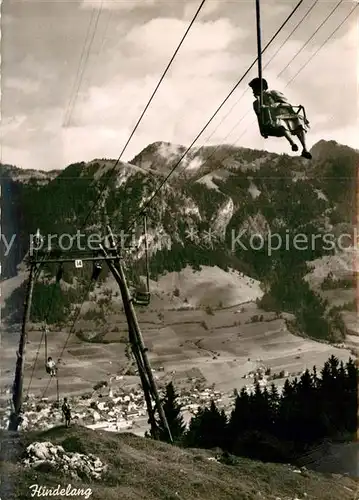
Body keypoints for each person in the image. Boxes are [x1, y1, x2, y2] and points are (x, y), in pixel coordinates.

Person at [248, 77, 312, 159]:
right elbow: (260, 116)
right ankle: (292, 143)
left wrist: (277, 105)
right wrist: (260, 103)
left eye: (254, 89)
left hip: (287, 115)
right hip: (273, 120)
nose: (253, 92)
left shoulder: (272, 93)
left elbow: (287, 104)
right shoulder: (256, 103)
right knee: (281, 123)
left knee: (298, 121)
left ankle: (305, 149)